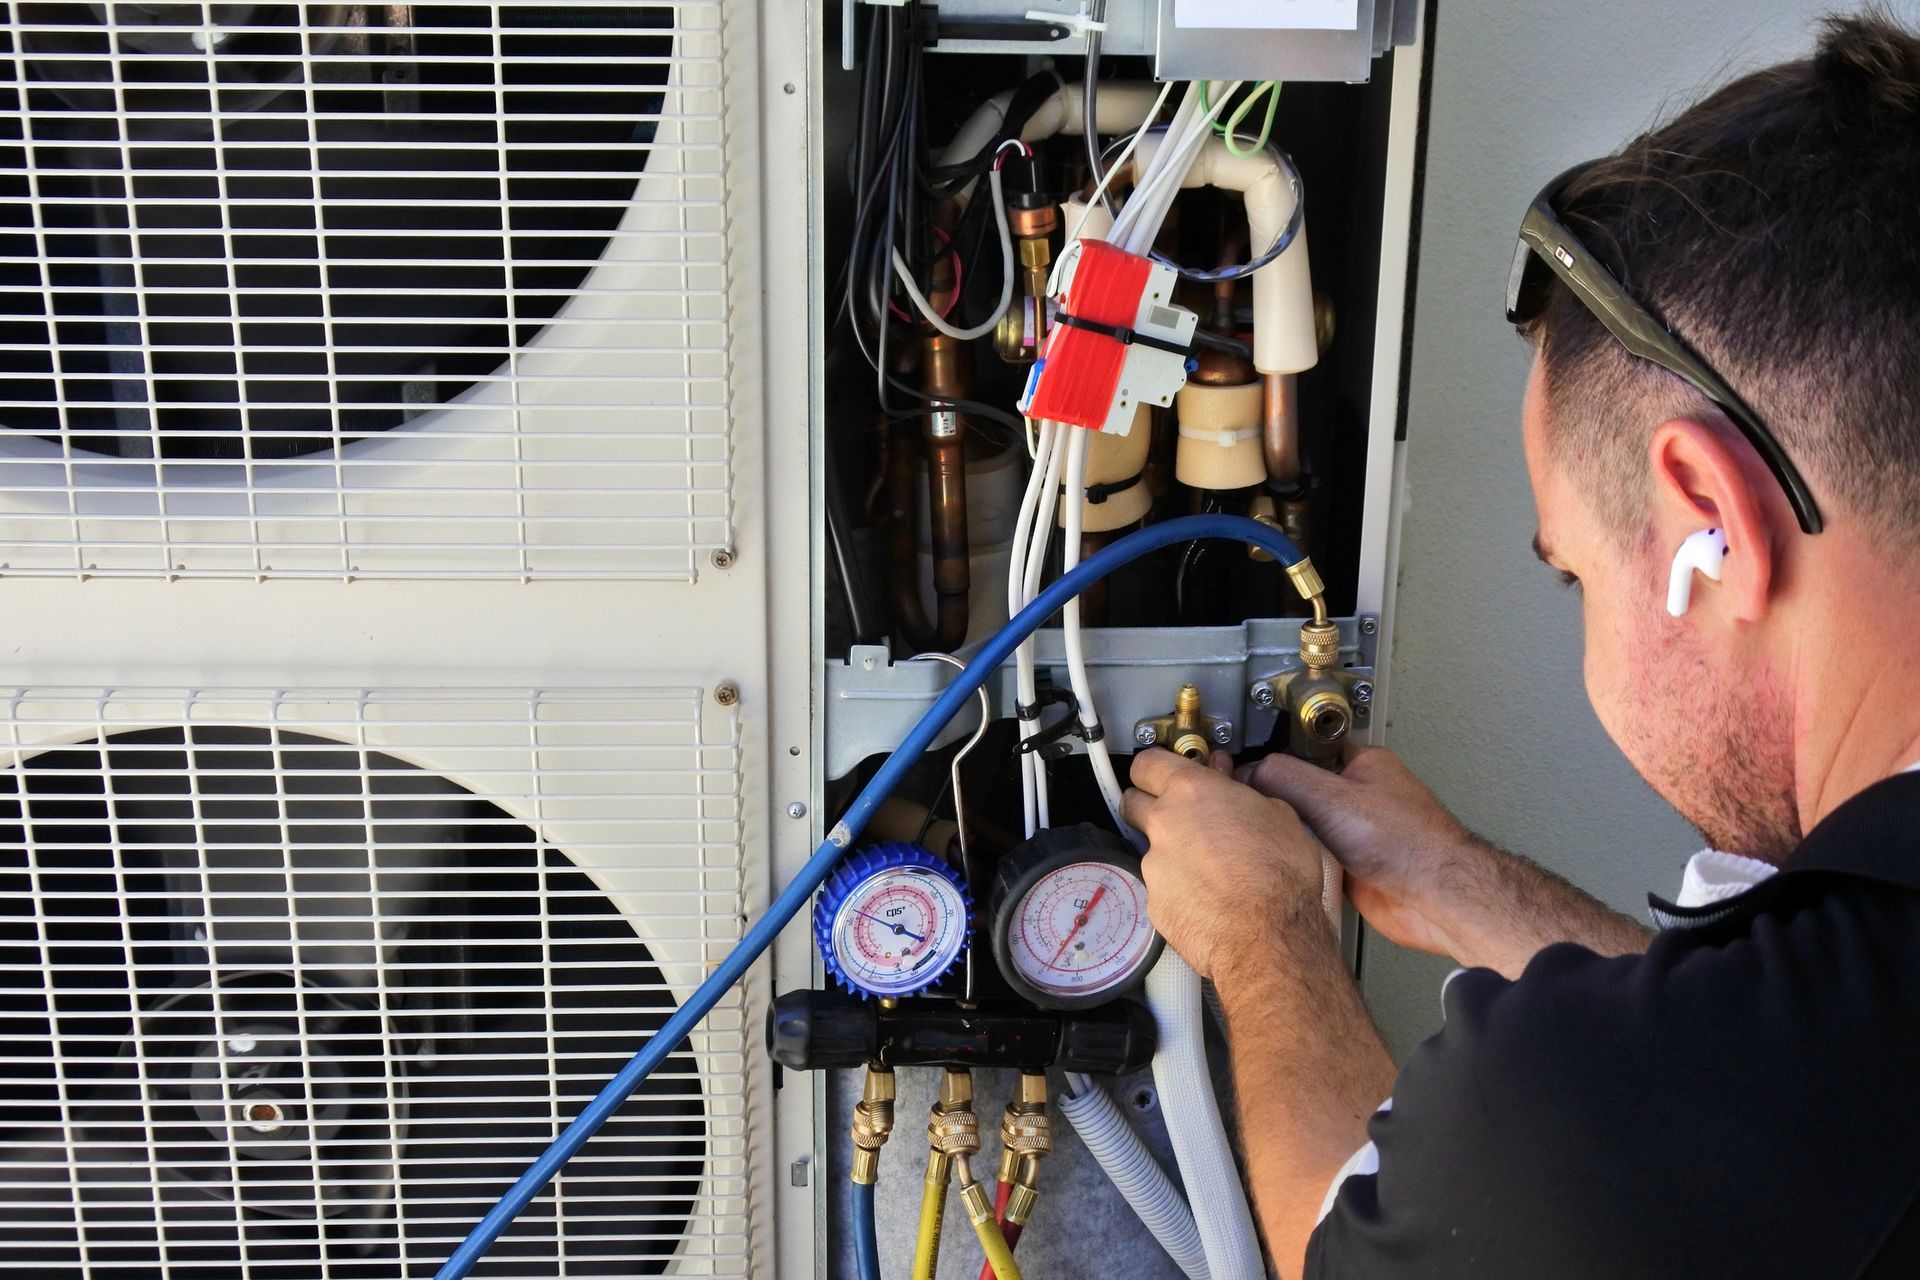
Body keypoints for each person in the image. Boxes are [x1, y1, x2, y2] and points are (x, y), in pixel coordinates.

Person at [1123, 11, 1920, 1278]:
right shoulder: (1829, 1040)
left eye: (1576, 577)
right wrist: (1464, 883)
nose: (1587, 634)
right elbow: (1752, 1090)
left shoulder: (1578, 1113)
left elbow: (1360, 1241)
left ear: (1709, 521)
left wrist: (1265, 933)